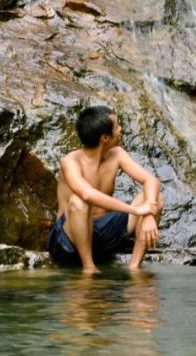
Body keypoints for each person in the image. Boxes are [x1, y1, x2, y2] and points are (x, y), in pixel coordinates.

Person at [47, 104, 163, 272]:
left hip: (104, 234)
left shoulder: (117, 154)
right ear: (105, 138)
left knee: (156, 197)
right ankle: (89, 268)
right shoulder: (70, 162)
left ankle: (134, 267)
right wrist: (137, 210)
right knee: (79, 201)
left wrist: (149, 211)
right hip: (68, 242)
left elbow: (151, 180)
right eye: (117, 126)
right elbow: (87, 194)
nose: (121, 129)